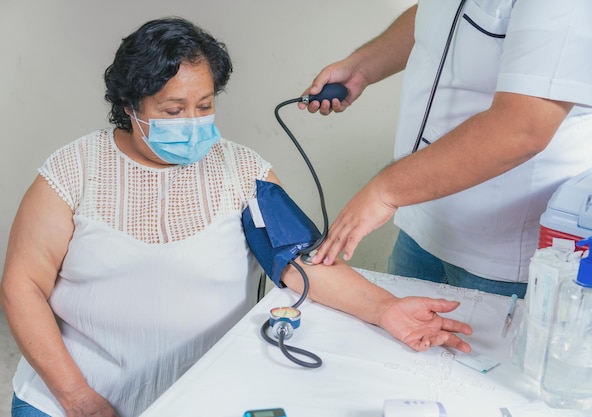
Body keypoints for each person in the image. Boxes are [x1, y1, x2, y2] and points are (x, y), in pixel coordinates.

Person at [0, 17, 473, 417]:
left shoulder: (242, 171)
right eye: (172, 109)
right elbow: (23, 285)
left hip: (202, 395)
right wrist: (77, 397)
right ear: (130, 107)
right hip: (68, 397)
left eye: (204, 106)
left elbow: (300, 261)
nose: (192, 122)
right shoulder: (73, 172)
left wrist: (384, 307)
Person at [300, 1, 592, 297]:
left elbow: (522, 129)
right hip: (424, 218)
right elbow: (445, 17)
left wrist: (385, 192)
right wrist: (364, 66)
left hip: (513, 256)